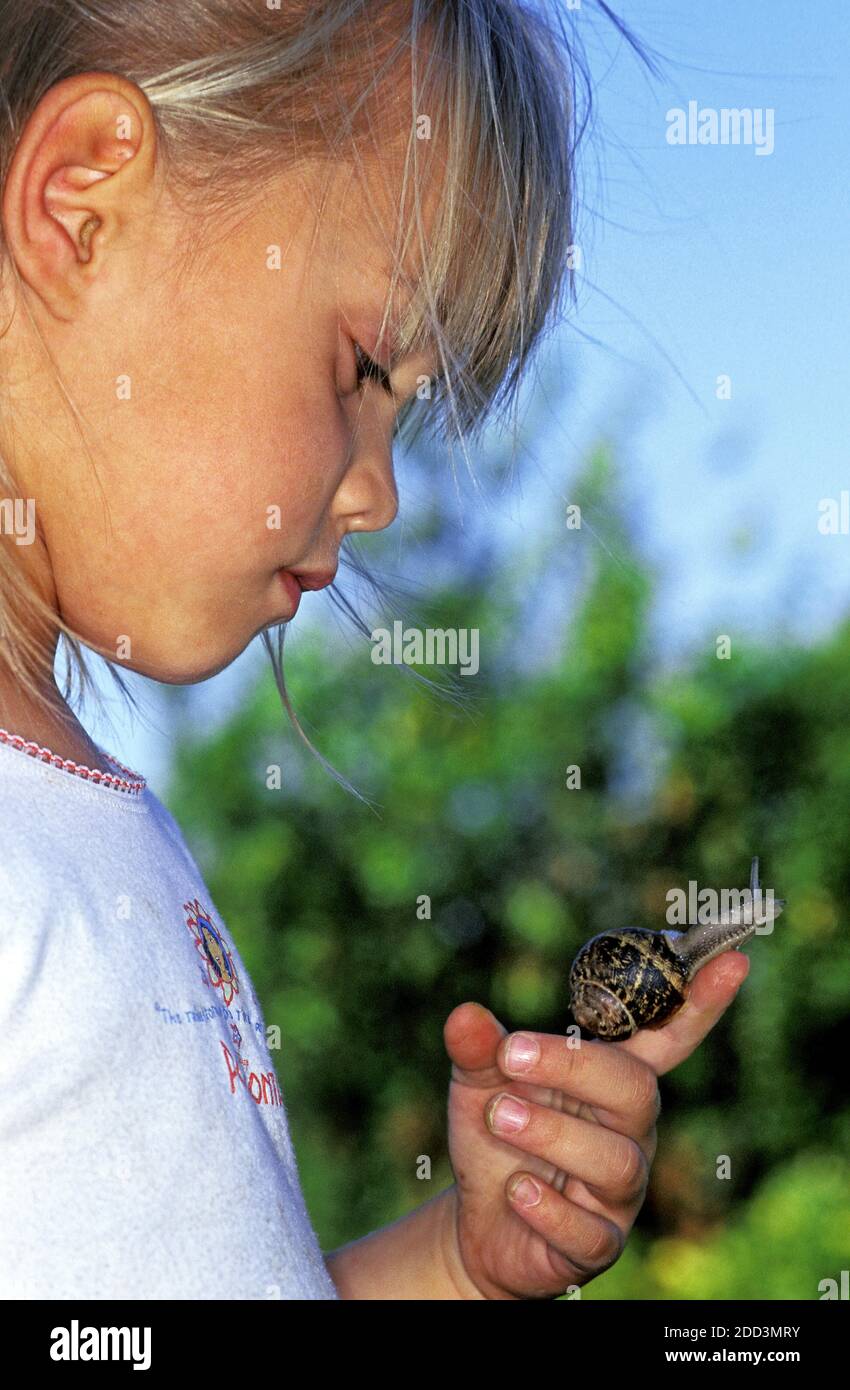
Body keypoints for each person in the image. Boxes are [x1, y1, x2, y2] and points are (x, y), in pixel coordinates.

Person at [0, 0, 748, 1299]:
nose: (378, 498)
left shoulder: (89, 820)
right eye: (360, 369)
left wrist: (455, 1265)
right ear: (83, 206)